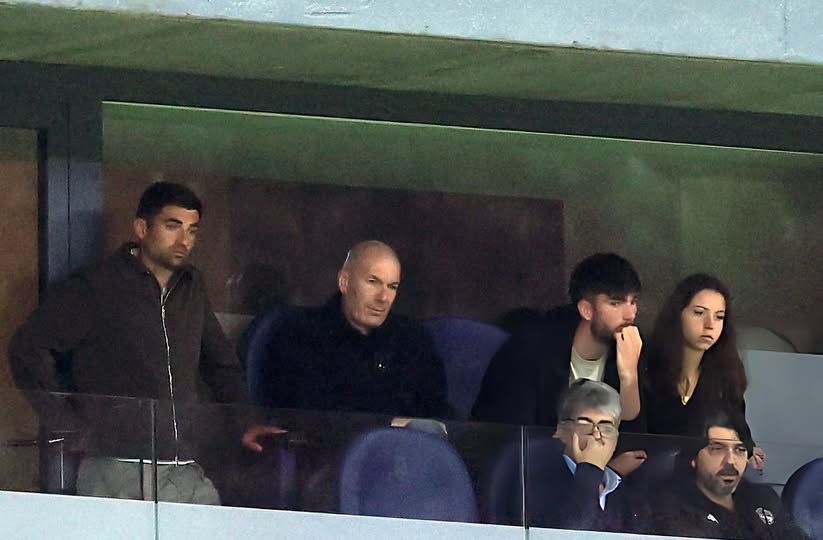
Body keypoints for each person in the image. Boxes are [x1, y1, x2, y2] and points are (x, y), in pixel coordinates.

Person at [9, 181, 271, 504]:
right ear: (141, 228)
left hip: (184, 467)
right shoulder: (98, 286)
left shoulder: (192, 287)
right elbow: (28, 348)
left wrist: (246, 420)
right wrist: (68, 423)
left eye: (192, 230)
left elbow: (221, 365)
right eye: (172, 226)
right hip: (117, 468)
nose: (184, 240)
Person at [256, 240, 449, 419]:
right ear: (344, 282)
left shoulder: (413, 341)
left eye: (392, 287)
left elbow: (440, 415)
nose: (383, 297)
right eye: (373, 282)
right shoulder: (301, 336)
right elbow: (308, 417)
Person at [472, 253, 644, 425]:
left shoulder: (631, 348)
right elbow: (511, 435)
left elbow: (638, 435)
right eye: (615, 303)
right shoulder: (532, 348)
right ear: (586, 310)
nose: (630, 314)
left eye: (633, 301)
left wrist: (629, 377)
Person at [644, 273, 765, 469]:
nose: (710, 324)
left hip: (701, 482)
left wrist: (748, 450)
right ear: (678, 314)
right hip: (648, 480)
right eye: (699, 313)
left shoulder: (725, 374)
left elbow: (737, 425)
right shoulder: (648, 364)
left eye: (719, 317)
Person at [653, 408, 809, 539]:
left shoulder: (762, 497)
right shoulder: (672, 507)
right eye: (717, 449)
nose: (731, 461)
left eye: (739, 450)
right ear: (693, 457)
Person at [526, 379, 651, 533]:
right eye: (585, 423)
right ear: (562, 431)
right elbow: (571, 531)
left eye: (606, 426)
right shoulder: (537, 480)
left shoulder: (626, 497)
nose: (596, 434)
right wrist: (590, 470)